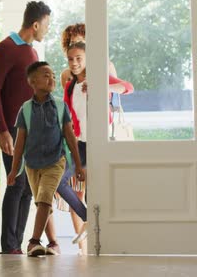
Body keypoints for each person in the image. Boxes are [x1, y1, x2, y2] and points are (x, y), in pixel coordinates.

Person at [0, 1, 51, 255]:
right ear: (35, 24)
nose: (47, 29)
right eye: (46, 25)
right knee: (16, 184)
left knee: (27, 188)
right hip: (12, 131)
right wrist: (2, 130)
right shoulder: (6, 48)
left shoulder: (32, 53)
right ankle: (9, 246)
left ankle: (17, 245)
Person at [7, 61, 86, 257]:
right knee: (43, 204)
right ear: (32, 82)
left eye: (52, 75)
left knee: (44, 200)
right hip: (32, 166)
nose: (51, 78)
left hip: (55, 162)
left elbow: (70, 137)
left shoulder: (60, 107)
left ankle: (33, 242)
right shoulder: (25, 110)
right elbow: (19, 144)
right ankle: (53, 244)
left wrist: (77, 165)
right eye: (46, 75)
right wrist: (14, 170)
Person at [63, 41, 133, 254]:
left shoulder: (101, 79)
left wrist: (102, 87)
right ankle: (87, 218)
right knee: (58, 180)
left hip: (100, 142)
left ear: (87, 59)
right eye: (71, 59)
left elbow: (128, 87)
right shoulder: (69, 86)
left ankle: (101, 244)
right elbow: (69, 118)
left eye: (79, 59)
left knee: (97, 190)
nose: (74, 63)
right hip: (81, 144)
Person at [59, 23, 118, 88]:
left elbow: (115, 94)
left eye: (80, 42)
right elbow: (69, 97)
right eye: (72, 43)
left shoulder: (107, 66)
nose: (75, 46)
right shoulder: (66, 75)